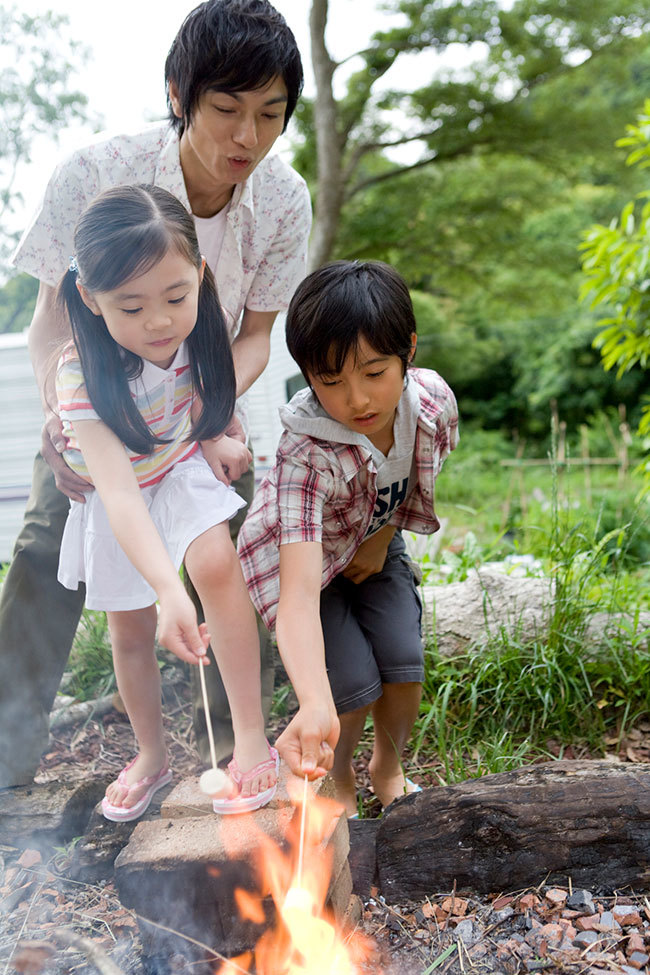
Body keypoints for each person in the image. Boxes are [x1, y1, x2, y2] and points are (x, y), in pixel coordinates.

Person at [0, 0, 311, 789]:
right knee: (45, 549)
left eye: (271, 114)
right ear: (179, 94)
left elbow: (253, 334)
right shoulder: (96, 173)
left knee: (228, 557)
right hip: (96, 401)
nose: (248, 137)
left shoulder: (283, 201)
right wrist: (63, 423)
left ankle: (243, 751)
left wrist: (206, 409)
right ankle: (11, 747)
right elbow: (47, 321)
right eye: (227, 109)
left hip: (202, 401)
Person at [55, 183, 278, 820]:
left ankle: (252, 738)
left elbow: (199, 400)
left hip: (176, 465)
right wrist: (165, 592)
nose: (158, 321)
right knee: (128, 626)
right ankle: (151, 755)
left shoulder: (199, 331)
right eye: (131, 306)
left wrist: (210, 438)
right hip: (115, 491)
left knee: (215, 564)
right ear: (92, 302)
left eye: (176, 296)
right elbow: (121, 495)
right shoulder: (82, 376)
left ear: (199, 277)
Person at [237, 261, 459, 816]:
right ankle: (338, 779)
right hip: (298, 561)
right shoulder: (304, 454)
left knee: (404, 662)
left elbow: (412, 479)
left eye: (374, 372)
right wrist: (311, 699)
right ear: (308, 376)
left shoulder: (432, 406)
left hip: (373, 534)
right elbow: (298, 593)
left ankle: (389, 764)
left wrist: (382, 540)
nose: (357, 400)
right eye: (331, 382)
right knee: (351, 683)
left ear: (408, 349)